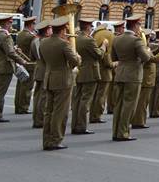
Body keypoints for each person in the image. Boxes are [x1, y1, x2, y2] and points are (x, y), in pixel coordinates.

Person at [39, 16, 81, 151]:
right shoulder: (64, 44)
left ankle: (46, 140)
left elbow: (43, 61)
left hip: (49, 78)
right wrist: (77, 54)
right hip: (63, 80)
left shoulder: (43, 42)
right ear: (63, 30)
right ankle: (56, 140)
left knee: (48, 112)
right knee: (60, 112)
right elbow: (75, 61)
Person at [110, 15, 152, 141]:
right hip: (133, 75)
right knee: (129, 105)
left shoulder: (117, 39)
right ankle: (123, 132)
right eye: (139, 25)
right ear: (135, 25)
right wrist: (148, 51)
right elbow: (146, 58)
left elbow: (113, 58)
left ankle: (116, 132)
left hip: (120, 74)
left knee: (118, 105)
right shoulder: (136, 40)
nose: (140, 27)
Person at [0, 15, 32, 122]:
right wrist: (23, 61)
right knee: (0, 93)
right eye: (10, 23)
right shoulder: (6, 36)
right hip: (5, 67)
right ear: (7, 24)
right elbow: (10, 53)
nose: (11, 25)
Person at [70, 17, 105, 135]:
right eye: (91, 27)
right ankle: (81, 126)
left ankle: (75, 125)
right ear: (88, 27)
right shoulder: (88, 40)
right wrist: (104, 46)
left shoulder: (76, 38)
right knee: (85, 101)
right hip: (90, 73)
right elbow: (99, 54)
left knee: (77, 100)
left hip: (79, 72)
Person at [31, 20, 53, 128]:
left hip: (39, 69)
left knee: (37, 96)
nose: (51, 31)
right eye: (50, 29)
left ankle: (36, 118)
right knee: (43, 97)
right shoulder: (45, 42)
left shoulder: (34, 40)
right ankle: (39, 120)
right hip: (45, 70)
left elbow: (33, 56)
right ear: (46, 30)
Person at [14, 16, 37, 114]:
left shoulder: (20, 34)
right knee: (27, 87)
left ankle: (18, 105)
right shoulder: (31, 37)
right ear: (31, 25)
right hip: (29, 63)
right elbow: (35, 49)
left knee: (20, 85)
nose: (34, 26)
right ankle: (23, 107)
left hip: (21, 62)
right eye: (34, 24)